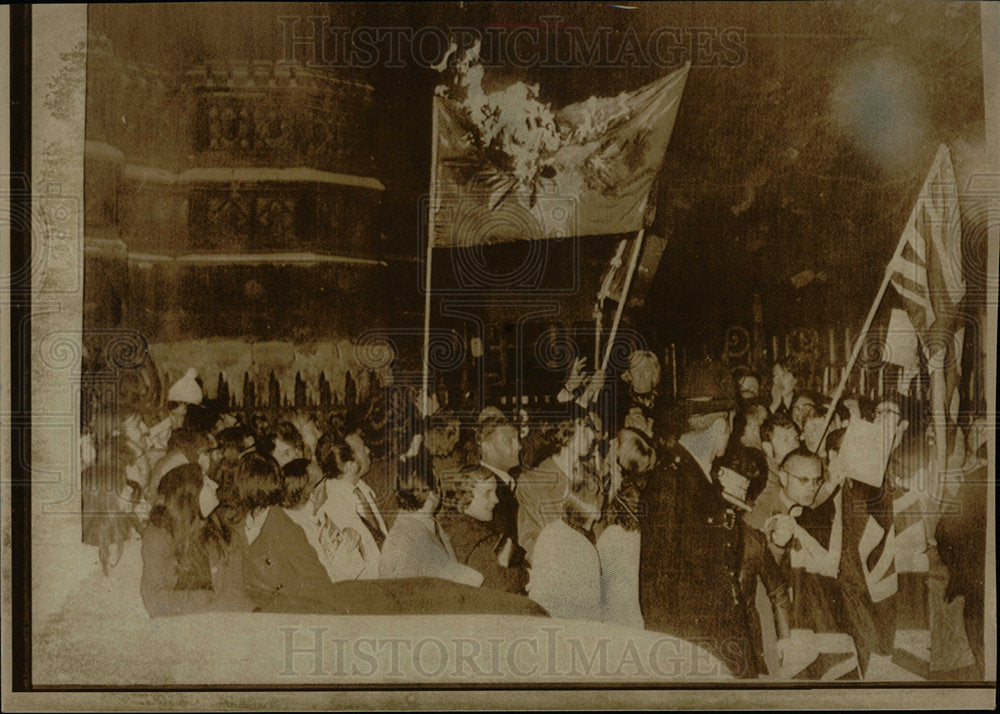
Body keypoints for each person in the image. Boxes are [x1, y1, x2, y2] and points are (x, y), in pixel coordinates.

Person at [639, 359, 753, 677]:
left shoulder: (699, 479)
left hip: (718, 644)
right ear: (721, 426)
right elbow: (657, 592)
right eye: (731, 425)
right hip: (697, 656)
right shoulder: (670, 483)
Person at [140, 463, 255, 617]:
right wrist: (207, 597)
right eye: (206, 482)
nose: (215, 485)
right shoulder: (159, 536)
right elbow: (156, 602)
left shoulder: (225, 533)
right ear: (188, 496)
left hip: (221, 622)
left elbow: (235, 593)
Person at [378, 461, 484, 587]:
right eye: (437, 484)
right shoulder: (406, 535)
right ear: (432, 493)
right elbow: (452, 575)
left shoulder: (426, 523)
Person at [516, 410, 599, 562]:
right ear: (566, 431)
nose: (592, 436)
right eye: (586, 428)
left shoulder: (592, 481)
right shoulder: (532, 482)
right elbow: (530, 540)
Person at [597, 427, 656, 630]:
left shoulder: (614, 535)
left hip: (618, 623)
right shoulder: (647, 500)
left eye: (615, 443)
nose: (609, 443)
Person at [439, 465, 528, 594]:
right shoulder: (468, 536)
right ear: (465, 495)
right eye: (488, 493)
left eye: (495, 492)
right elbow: (498, 583)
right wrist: (527, 575)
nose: (496, 500)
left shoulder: (452, 524)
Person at [527, 476, 604, 621]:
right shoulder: (585, 549)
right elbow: (592, 610)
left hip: (541, 619)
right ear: (594, 513)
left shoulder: (549, 530)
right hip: (570, 627)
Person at [314, 428, 387, 579]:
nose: (367, 450)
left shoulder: (361, 488)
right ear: (349, 466)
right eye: (361, 449)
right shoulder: (331, 507)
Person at [744, 412, 801, 531]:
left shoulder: (783, 473)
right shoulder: (763, 480)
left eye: (796, 439)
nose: (795, 446)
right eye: (785, 440)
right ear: (768, 448)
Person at [476, 409, 522, 546]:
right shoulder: (485, 490)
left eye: (517, 439)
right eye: (509, 442)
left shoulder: (509, 481)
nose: (518, 446)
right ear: (486, 446)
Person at [148, 367, 203, 452]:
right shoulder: (164, 423)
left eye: (187, 404)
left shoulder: (180, 421)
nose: (186, 407)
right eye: (183, 403)